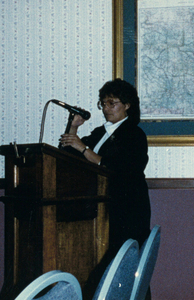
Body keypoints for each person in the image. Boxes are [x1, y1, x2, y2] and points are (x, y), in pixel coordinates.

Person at [59, 78, 151, 253]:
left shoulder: (134, 134)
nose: (106, 108)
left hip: (127, 209)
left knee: (123, 262)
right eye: (103, 103)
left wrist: (84, 148)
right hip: (102, 205)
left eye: (112, 103)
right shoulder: (101, 132)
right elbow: (70, 156)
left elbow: (118, 168)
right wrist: (73, 128)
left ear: (127, 105)